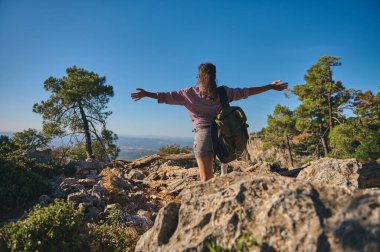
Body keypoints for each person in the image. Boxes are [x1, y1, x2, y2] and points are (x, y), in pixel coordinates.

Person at [131, 63, 287, 182]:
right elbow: (246, 92)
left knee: (206, 180)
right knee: (220, 165)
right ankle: (224, 171)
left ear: (198, 76)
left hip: (204, 136)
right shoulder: (223, 92)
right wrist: (270, 87)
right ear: (214, 76)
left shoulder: (188, 93)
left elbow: (165, 96)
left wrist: (146, 94)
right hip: (224, 135)